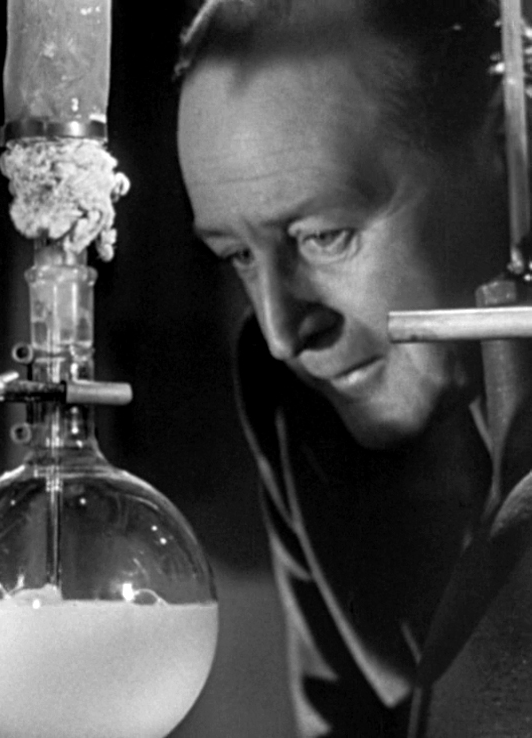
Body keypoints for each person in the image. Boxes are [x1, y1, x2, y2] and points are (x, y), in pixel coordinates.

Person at [176, 0, 532, 735]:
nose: (282, 331)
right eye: (237, 256)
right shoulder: (286, 394)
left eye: (326, 236)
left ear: (505, 145)